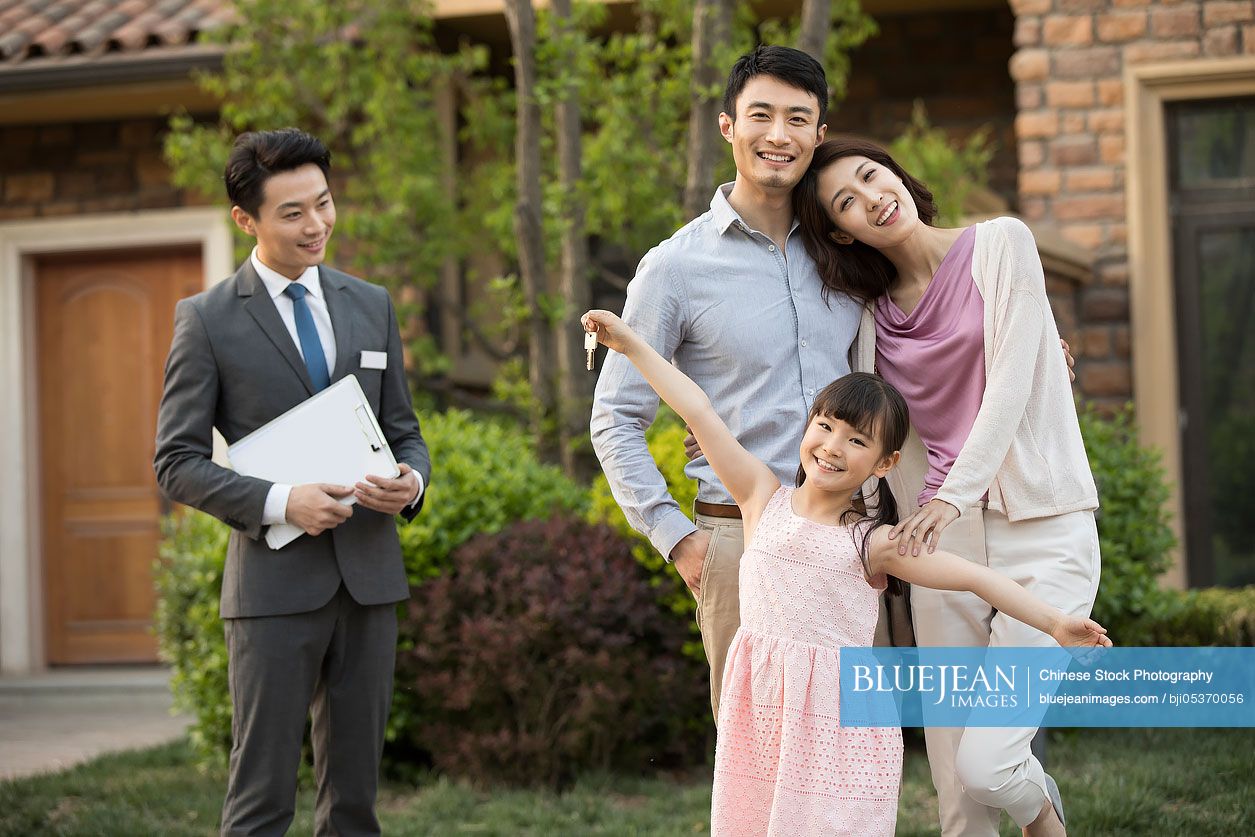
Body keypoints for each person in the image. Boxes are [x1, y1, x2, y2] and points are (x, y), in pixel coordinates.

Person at [581, 309, 1111, 837]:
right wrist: (629, 344)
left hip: (838, 731)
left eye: (857, 440)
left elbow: (973, 578)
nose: (834, 447)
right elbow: (697, 407)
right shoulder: (759, 497)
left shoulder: (873, 544)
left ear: (884, 463)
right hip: (762, 714)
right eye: (826, 427)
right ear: (808, 426)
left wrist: (1054, 623)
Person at [793, 136, 1103, 837]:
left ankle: (1039, 808)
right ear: (842, 230)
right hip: (935, 546)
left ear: (896, 172)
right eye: (847, 201)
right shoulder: (869, 320)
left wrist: (950, 496)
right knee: (955, 793)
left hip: (1041, 528)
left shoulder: (1001, 244)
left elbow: (1010, 386)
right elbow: (849, 421)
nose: (871, 196)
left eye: (871, 176)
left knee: (988, 764)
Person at [154, 128, 431, 837]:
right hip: (272, 591)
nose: (317, 225)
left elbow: (403, 429)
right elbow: (176, 460)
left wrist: (411, 482)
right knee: (261, 799)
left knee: (355, 802)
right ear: (245, 219)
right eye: (293, 212)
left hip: (369, 581)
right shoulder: (207, 319)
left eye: (324, 203)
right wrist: (284, 502)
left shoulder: (370, 302)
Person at [590, 44, 866, 720]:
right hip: (738, 540)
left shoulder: (852, 252)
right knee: (755, 759)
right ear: (727, 126)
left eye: (797, 119)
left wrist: (1032, 344)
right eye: (761, 115)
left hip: (852, 535)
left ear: (818, 135)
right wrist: (676, 537)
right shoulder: (674, 268)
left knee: (851, 749)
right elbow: (614, 416)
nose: (779, 135)